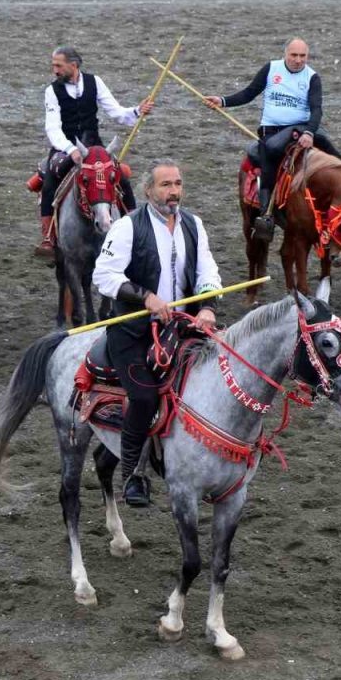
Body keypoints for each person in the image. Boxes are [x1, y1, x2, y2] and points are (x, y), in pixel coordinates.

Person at [93, 159, 222, 507]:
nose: (174, 191)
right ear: (148, 190)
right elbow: (103, 275)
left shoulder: (194, 224)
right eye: (166, 185)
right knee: (146, 396)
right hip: (134, 332)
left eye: (178, 183)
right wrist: (146, 297)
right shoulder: (126, 227)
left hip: (184, 329)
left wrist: (208, 307)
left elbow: (207, 271)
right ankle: (134, 474)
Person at [205, 37, 341, 241]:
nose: (298, 60)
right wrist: (223, 101)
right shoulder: (271, 69)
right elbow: (248, 94)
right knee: (269, 150)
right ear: (285, 54)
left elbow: (316, 110)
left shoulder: (312, 77)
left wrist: (309, 133)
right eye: (294, 55)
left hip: (302, 128)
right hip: (272, 131)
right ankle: (266, 215)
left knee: (336, 157)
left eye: (302, 56)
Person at [33, 45, 154, 258]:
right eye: (53, 66)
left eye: (58, 66)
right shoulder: (51, 91)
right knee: (52, 178)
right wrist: (71, 150)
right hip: (64, 148)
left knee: (120, 177)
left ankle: (133, 226)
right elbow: (52, 127)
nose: (55, 71)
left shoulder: (94, 82)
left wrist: (136, 111)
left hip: (94, 146)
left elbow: (116, 112)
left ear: (74, 65)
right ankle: (49, 237)